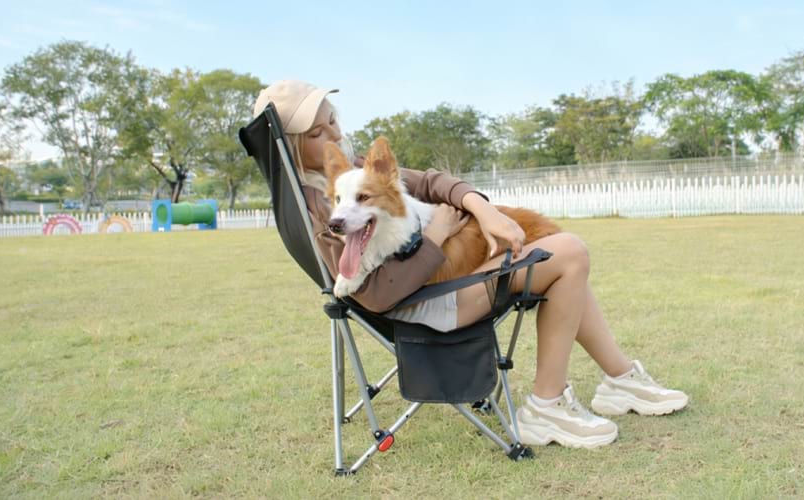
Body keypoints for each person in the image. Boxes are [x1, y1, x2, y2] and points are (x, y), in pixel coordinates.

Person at [253, 80, 688, 448]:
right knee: (567, 252)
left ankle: (619, 378)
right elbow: (379, 294)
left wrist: (482, 209)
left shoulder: (353, 174)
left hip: (436, 287)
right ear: (291, 143)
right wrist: (438, 236)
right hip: (421, 304)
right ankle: (547, 406)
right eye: (317, 131)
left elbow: (431, 182)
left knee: (559, 256)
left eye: (333, 119)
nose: (334, 132)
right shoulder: (319, 207)